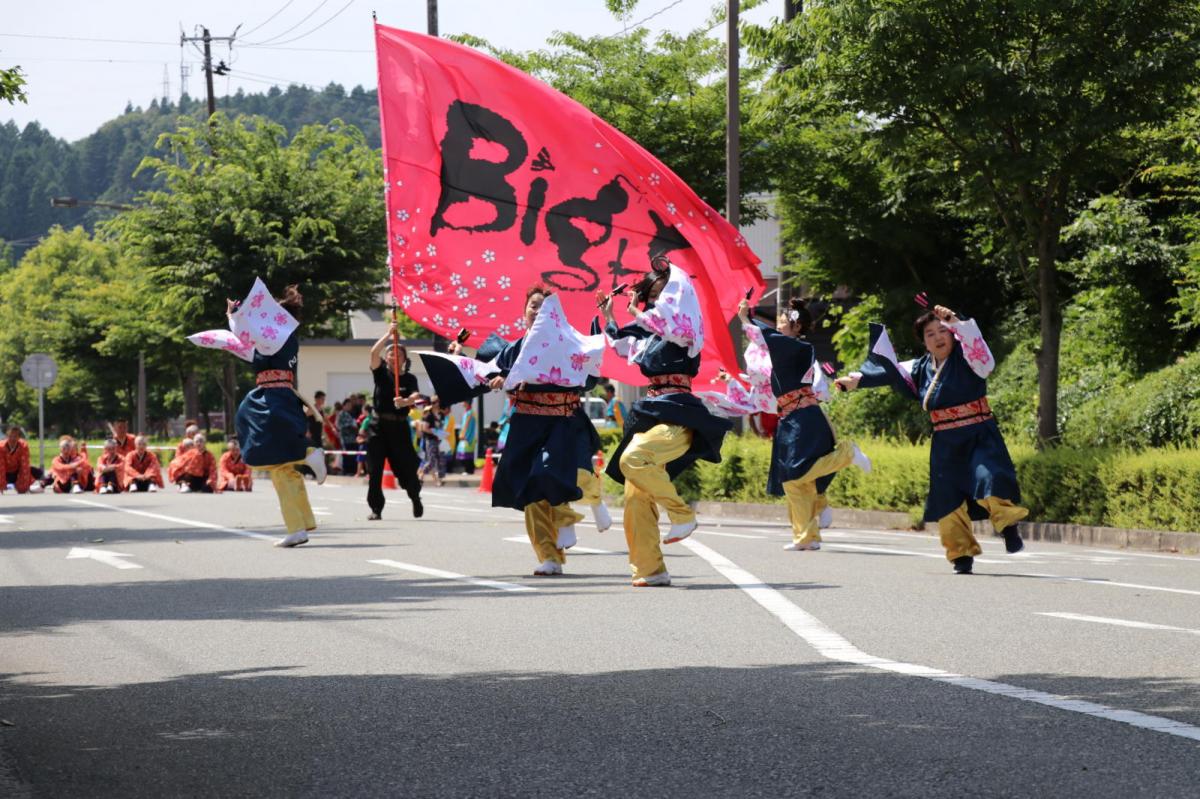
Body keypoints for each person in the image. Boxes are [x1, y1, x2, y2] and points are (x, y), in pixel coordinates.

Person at [836, 303, 1028, 574]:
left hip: (978, 434)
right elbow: (891, 372)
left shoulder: (970, 356)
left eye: (943, 331)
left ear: (952, 334)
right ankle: (960, 554)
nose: (938, 337)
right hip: (945, 441)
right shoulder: (921, 366)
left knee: (990, 478)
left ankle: (1008, 527)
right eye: (930, 334)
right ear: (924, 343)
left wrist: (958, 323)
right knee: (947, 498)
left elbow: (987, 363)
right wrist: (855, 381)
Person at [447, 286, 608, 576]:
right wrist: (494, 377)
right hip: (526, 424)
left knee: (549, 473)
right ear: (524, 313)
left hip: (562, 421)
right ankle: (550, 557)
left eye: (542, 306)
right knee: (530, 490)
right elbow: (487, 370)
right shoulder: (516, 348)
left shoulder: (567, 341)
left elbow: (589, 378)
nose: (536, 311)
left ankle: (568, 518)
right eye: (532, 306)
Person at [602, 260, 732, 587]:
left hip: (678, 412)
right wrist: (609, 316)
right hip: (651, 410)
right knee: (635, 495)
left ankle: (682, 513)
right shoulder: (652, 333)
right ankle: (650, 569)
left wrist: (638, 313)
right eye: (655, 294)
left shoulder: (688, 327)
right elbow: (622, 345)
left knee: (633, 458)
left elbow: (671, 327)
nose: (660, 300)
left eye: (665, 292)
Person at [717, 297, 872, 552]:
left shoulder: (797, 347)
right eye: (777, 323)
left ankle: (847, 453)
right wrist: (735, 377)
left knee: (799, 472)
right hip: (791, 417)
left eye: (782, 323)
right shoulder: (787, 351)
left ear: (797, 327)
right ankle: (806, 537)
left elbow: (763, 338)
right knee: (792, 480)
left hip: (804, 416)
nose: (778, 328)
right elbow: (764, 379)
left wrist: (745, 318)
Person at [225, 282, 327, 547]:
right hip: (280, 397)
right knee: (284, 470)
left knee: (269, 452)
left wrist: (234, 318)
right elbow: (247, 344)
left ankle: (308, 454)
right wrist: (234, 319)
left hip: (272, 399)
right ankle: (300, 524)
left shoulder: (276, 335)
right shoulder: (281, 337)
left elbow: (246, 339)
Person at [365, 327, 423, 520]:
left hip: (399, 428)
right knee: (375, 470)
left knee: (406, 469)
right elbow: (374, 352)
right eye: (391, 352)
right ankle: (376, 509)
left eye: (399, 353)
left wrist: (405, 402)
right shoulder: (380, 372)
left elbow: (416, 396)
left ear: (404, 359)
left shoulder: (409, 378)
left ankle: (414, 496)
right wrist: (389, 335)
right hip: (378, 426)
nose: (394, 355)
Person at [418, 398, 447, 487]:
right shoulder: (429, 415)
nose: (436, 404)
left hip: (439, 440)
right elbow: (424, 428)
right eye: (434, 402)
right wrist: (434, 432)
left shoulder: (441, 414)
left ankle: (439, 480)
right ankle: (421, 475)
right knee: (431, 460)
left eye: (438, 402)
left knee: (440, 460)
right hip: (430, 440)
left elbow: (441, 426)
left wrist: (442, 433)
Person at [2, 425, 39, 494]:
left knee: (37, 471)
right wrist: (1, 484)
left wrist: (23, 485)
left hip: (16, 472)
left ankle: (23, 485)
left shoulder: (23, 446)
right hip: (5, 472)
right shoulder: (1, 447)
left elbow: (24, 465)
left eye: (15, 436)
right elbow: (1, 466)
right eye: (10, 436)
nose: (12, 439)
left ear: (19, 437)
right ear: (7, 436)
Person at [337, 396, 361, 475]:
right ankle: (347, 471)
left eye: (350, 405)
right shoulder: (341, 414)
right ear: (344, 405)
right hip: (346, 439)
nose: (349, 406)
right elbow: (339, 425)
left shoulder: (350, 414)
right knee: (347, 456)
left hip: (353, 439)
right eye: (348, 405)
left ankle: (352, 471)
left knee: (353, 456)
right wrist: (351, 425)